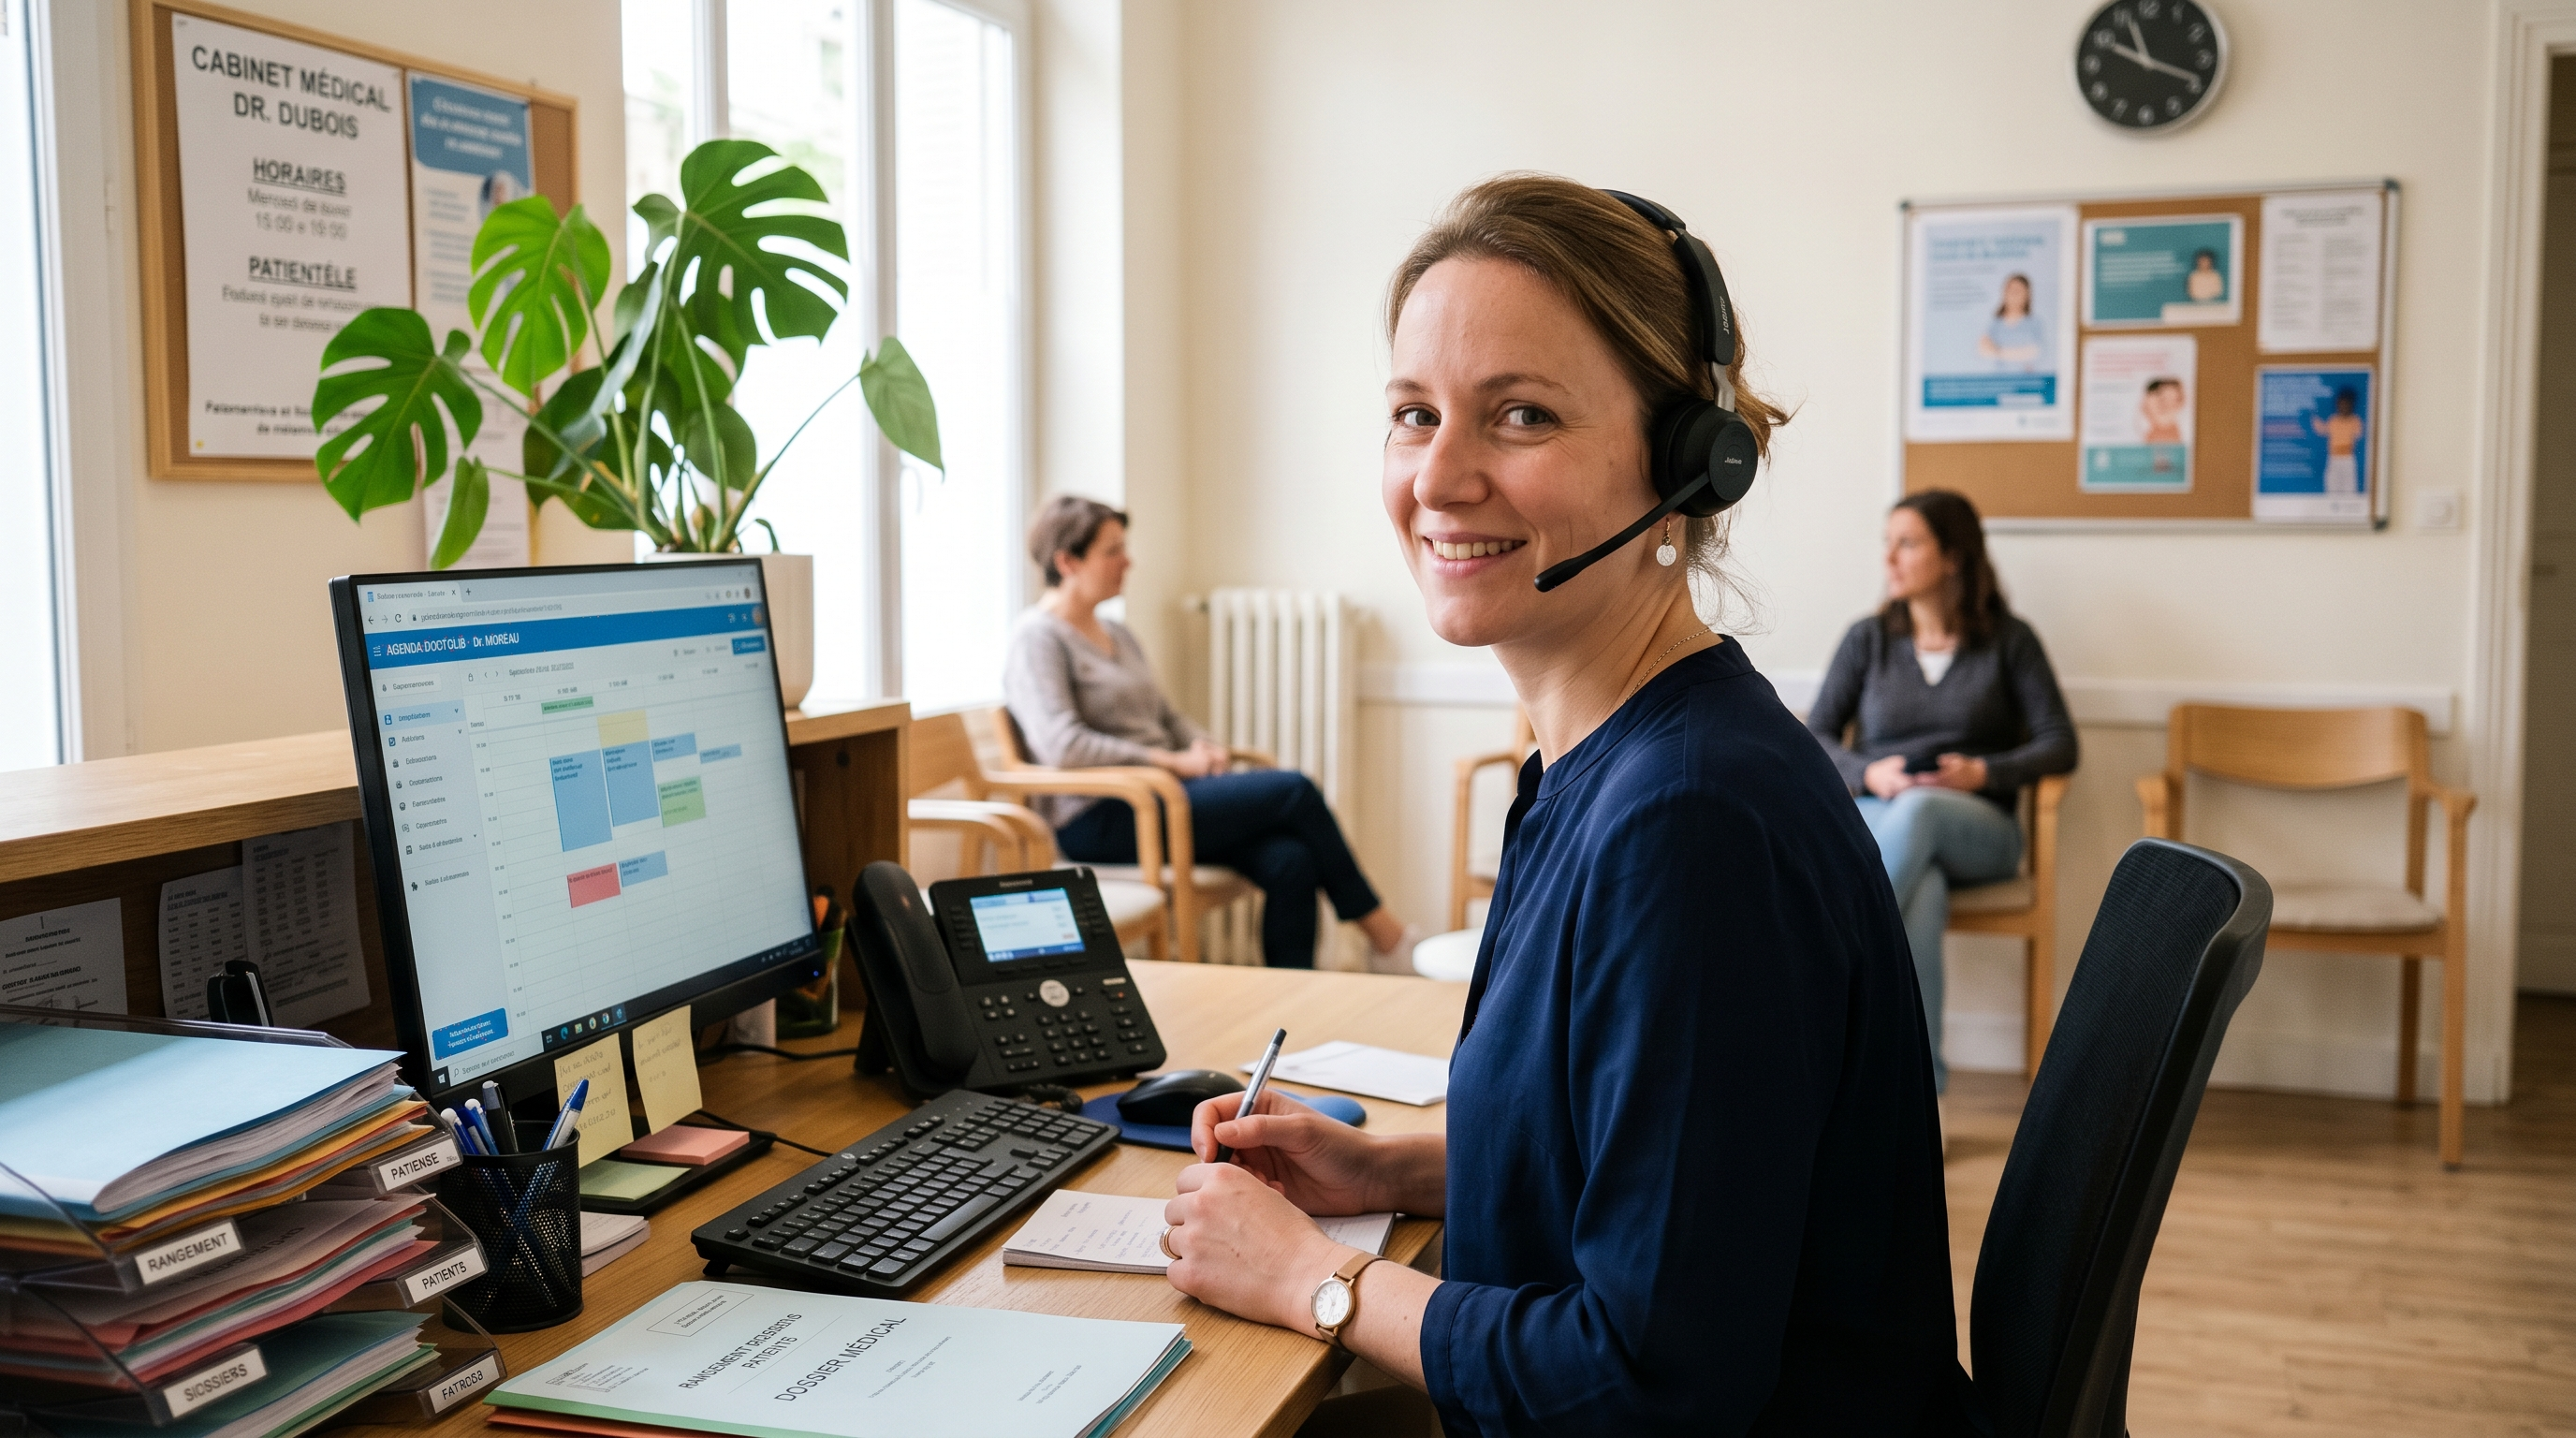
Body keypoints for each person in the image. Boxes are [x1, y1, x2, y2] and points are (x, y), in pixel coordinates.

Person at [1158, 176, 1968, 1435]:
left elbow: (1649, 1381)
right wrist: (1386, 1168)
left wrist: (1312, 1282)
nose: (1438, 476)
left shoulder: (1689, 824)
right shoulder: (1609, 761)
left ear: (1688, 463)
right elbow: (1666, 1165)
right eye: (1413, 414)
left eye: (1521, 415)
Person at [1003, 495, 1419, 972]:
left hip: (1165, 797)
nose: (1128, 561)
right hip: (1102, 815)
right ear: (1067, 561)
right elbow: (1062, 744)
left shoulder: (1117, 633)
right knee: (1294, 790)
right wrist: (1170, 763)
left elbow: (1166, 716)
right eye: (1112, 550)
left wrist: (1201, 746)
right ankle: (1386, 938)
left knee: (1292, 859)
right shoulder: (1037, 638)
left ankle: (1293, 1000)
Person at [1805, 489, 2076, 1100]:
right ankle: (1921, 1097)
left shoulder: (2010, 640)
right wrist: (1871, 774)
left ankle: (1823, 960)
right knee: (1920, 898)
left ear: (1952, 557)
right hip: (1883, 817)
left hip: (1980, 830)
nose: (1889, 559)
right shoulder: (1867, 640)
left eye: (1907, 543)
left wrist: (1984, 773)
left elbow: (2061, 744)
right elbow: (1815, 736)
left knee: (1921, 809)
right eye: (1887, 543)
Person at [1976, 271, 2044, 371]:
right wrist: (2018, 353)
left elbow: (2035, 352)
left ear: (2027, 295)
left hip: (2028, 380)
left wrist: (1998, 351)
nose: (2013, 295)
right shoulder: (1995, 323)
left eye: (2018, 291)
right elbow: (1983, 351)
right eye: (2010, 290)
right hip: (2001, 380)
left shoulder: (2035, 322)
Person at [2310, 387, 2365, 494]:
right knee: (2332, 481)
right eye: (2341, 405)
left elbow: (2359, 434)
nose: (2344, 407)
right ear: (2337, 405)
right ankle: (2332, 503)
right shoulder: (2333, 420)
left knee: (2349, 483)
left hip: (2348, 458)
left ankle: (2349, 504)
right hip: (2334, 458)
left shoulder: (2355, 420)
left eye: (2347, 405)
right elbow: (2323, 430)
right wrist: (2314, 420)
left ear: (2352, 405)